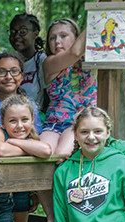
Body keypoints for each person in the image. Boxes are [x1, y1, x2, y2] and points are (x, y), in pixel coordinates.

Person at [0, 53, 51, 222]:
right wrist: (26, 147)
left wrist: (13, 142)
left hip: (22, 185)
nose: (8, 76)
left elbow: (37, 143)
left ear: (21, 76)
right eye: (1, 71)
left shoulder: (31, 106)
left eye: (13, 71)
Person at [40, 18, 96, 156]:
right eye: (52, 38)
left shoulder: (92, 61)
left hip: (81, 124)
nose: (57, 41)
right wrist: (96, 18)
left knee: (62, 154)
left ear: (76, 39)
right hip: (53, 124)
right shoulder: (49, 63)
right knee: (44, 153)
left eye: (63, 36)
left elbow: (79, 53)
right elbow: (74, 53)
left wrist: (100, 15)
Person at [9, 13, 48, 109]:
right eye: (13, 31)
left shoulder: (41, 60)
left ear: (35, 34)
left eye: (23, 31)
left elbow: (48, 97)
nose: (16, 36)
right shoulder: (9, 63)